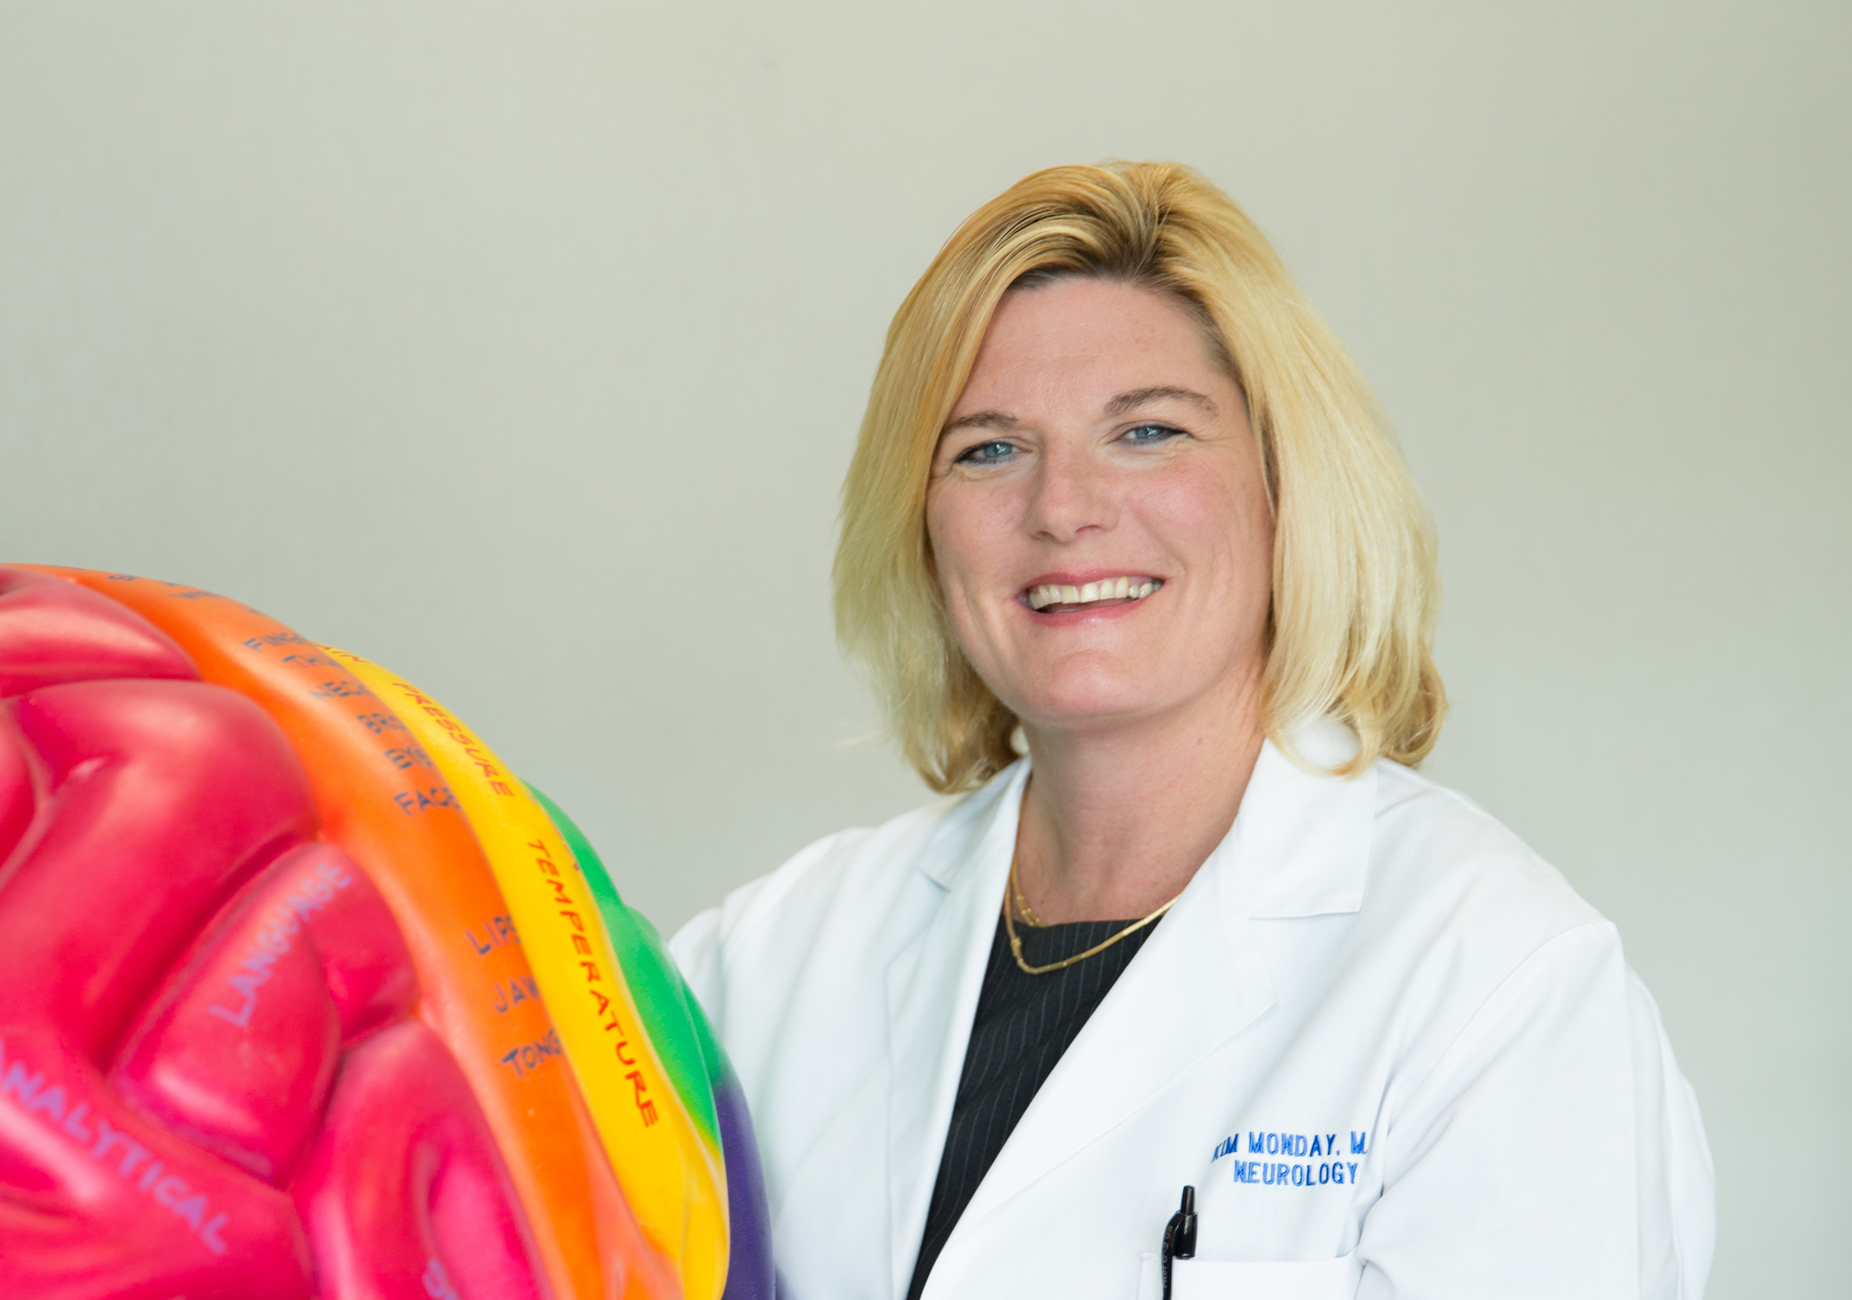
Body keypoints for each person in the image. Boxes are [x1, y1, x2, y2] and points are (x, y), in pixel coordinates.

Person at [669, 162, 1714, 1300]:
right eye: (988, 448)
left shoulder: (1496, 983)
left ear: (1285, 485)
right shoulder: (758, 968)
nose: (1063, 507)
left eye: (1149, 432)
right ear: (920, 528)